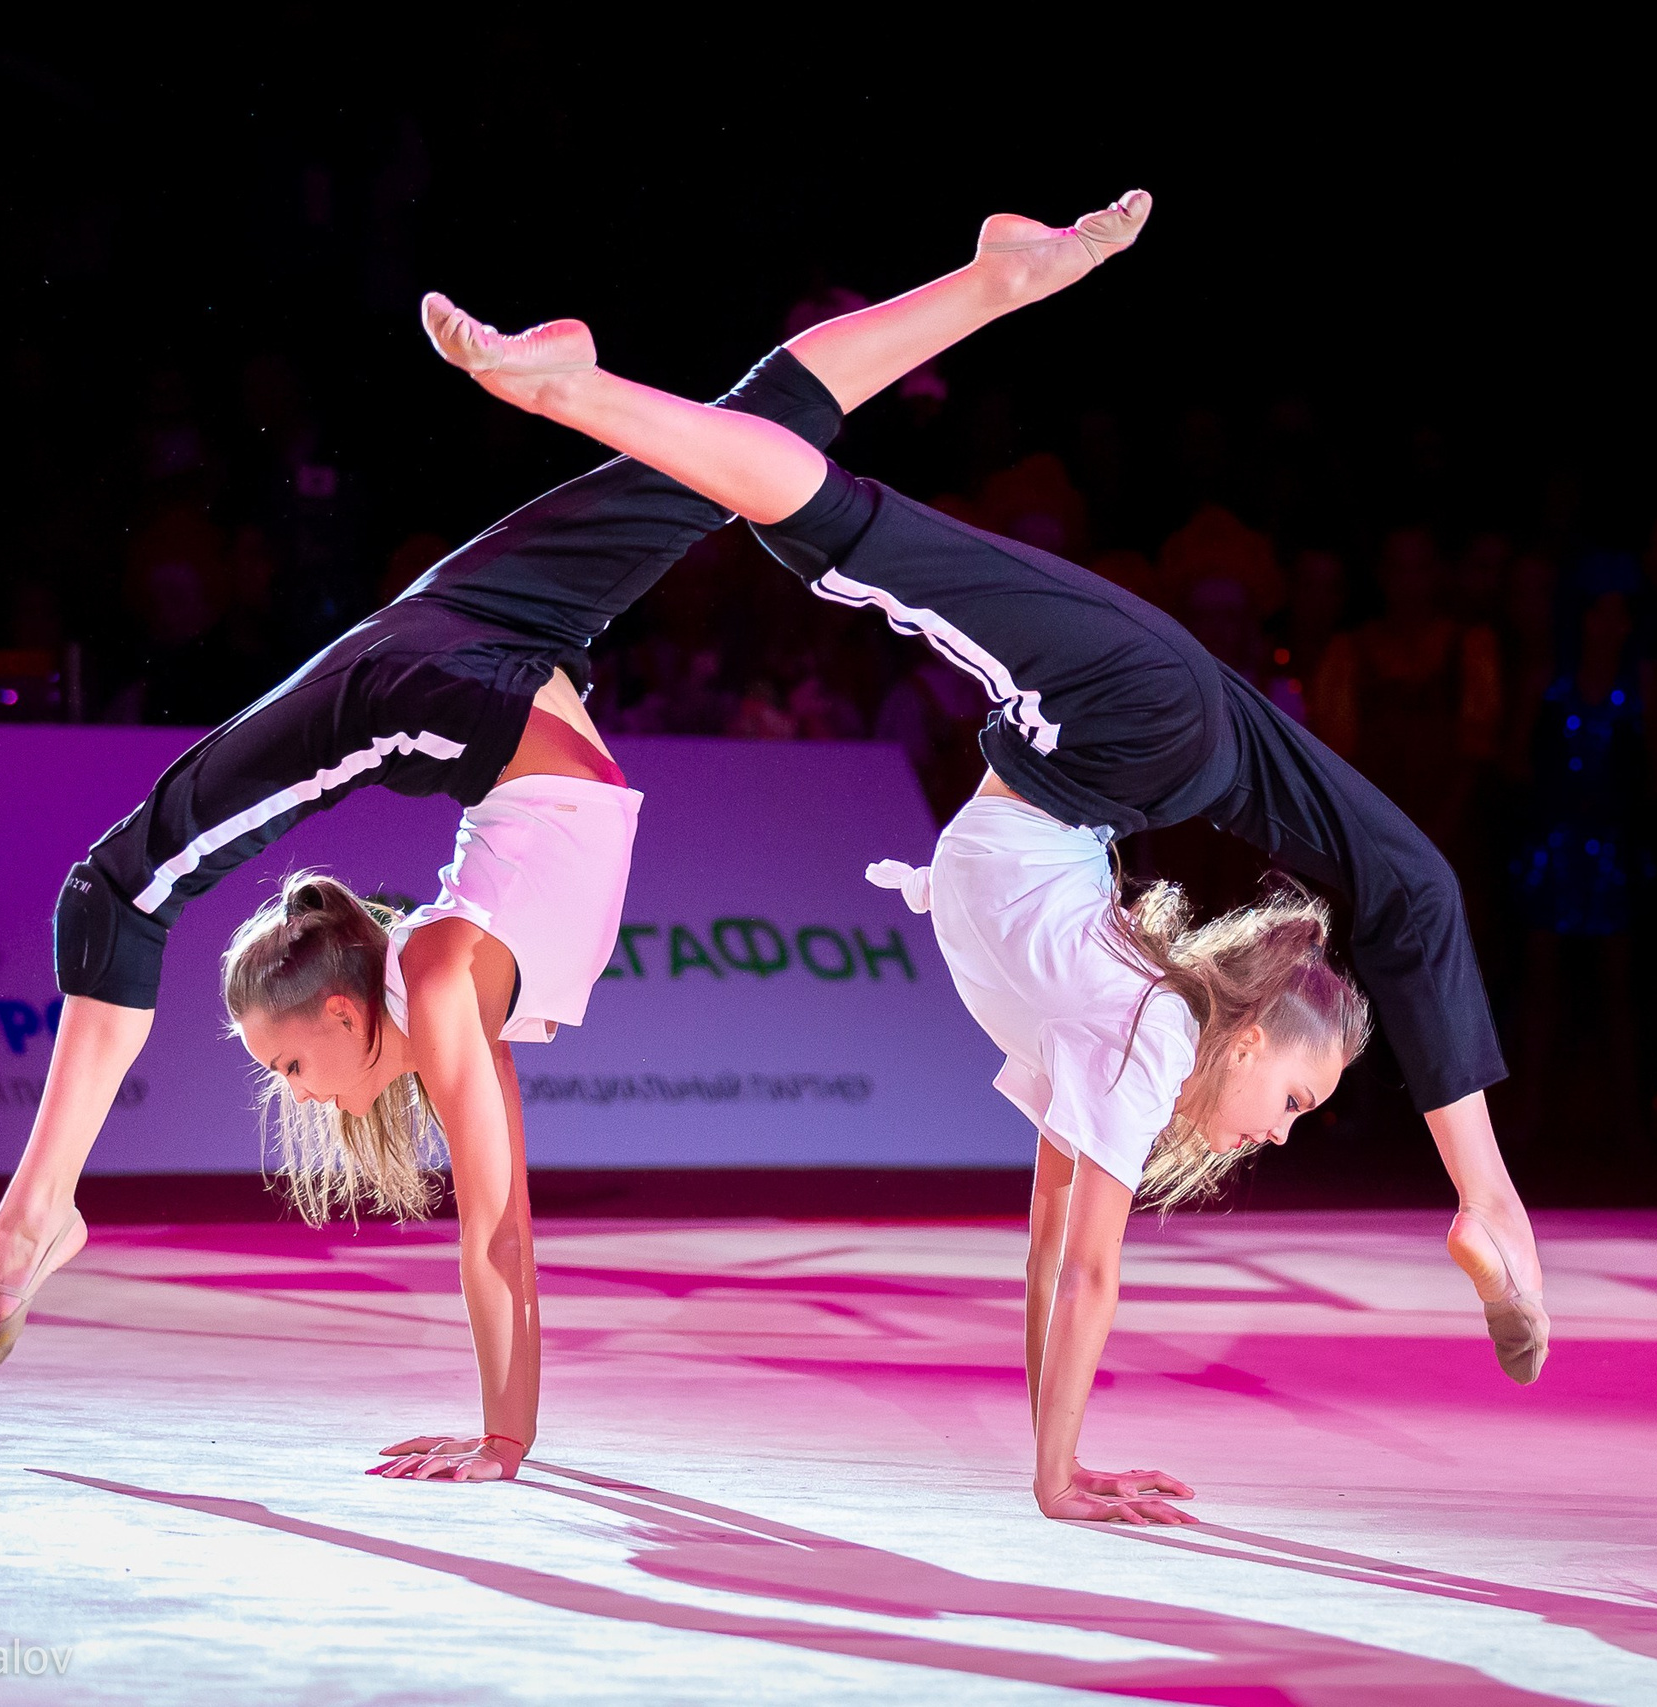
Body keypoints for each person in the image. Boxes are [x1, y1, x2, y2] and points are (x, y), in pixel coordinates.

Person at [0, 198, 1153, 1489]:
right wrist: (509, 1429)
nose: (293, 1094)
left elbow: (495, 1237)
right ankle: (990, 283)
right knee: (733, 446)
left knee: (122, 883)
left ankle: (39, 1203)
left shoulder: (431, 975)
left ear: (351, 1016)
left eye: (291, 1064)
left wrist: (504, 1440)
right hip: (492, 652)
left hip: (431, 696)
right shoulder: (444, 986)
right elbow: (506, 1218)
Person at [424, 195, 1549, 1525]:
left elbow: (1043, 1252)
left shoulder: (1119, 1033)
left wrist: (1050, 1462)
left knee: (1409, 875)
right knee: (846, 534)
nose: (1289, 1127)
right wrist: (1063, 1478)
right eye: (1300, 1096)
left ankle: (1488, 1198)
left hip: (1156, 743)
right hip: (1123, 733)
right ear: (1245, 1034)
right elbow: (1088, 1282)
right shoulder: (1147, 1041)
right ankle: (579, 392)